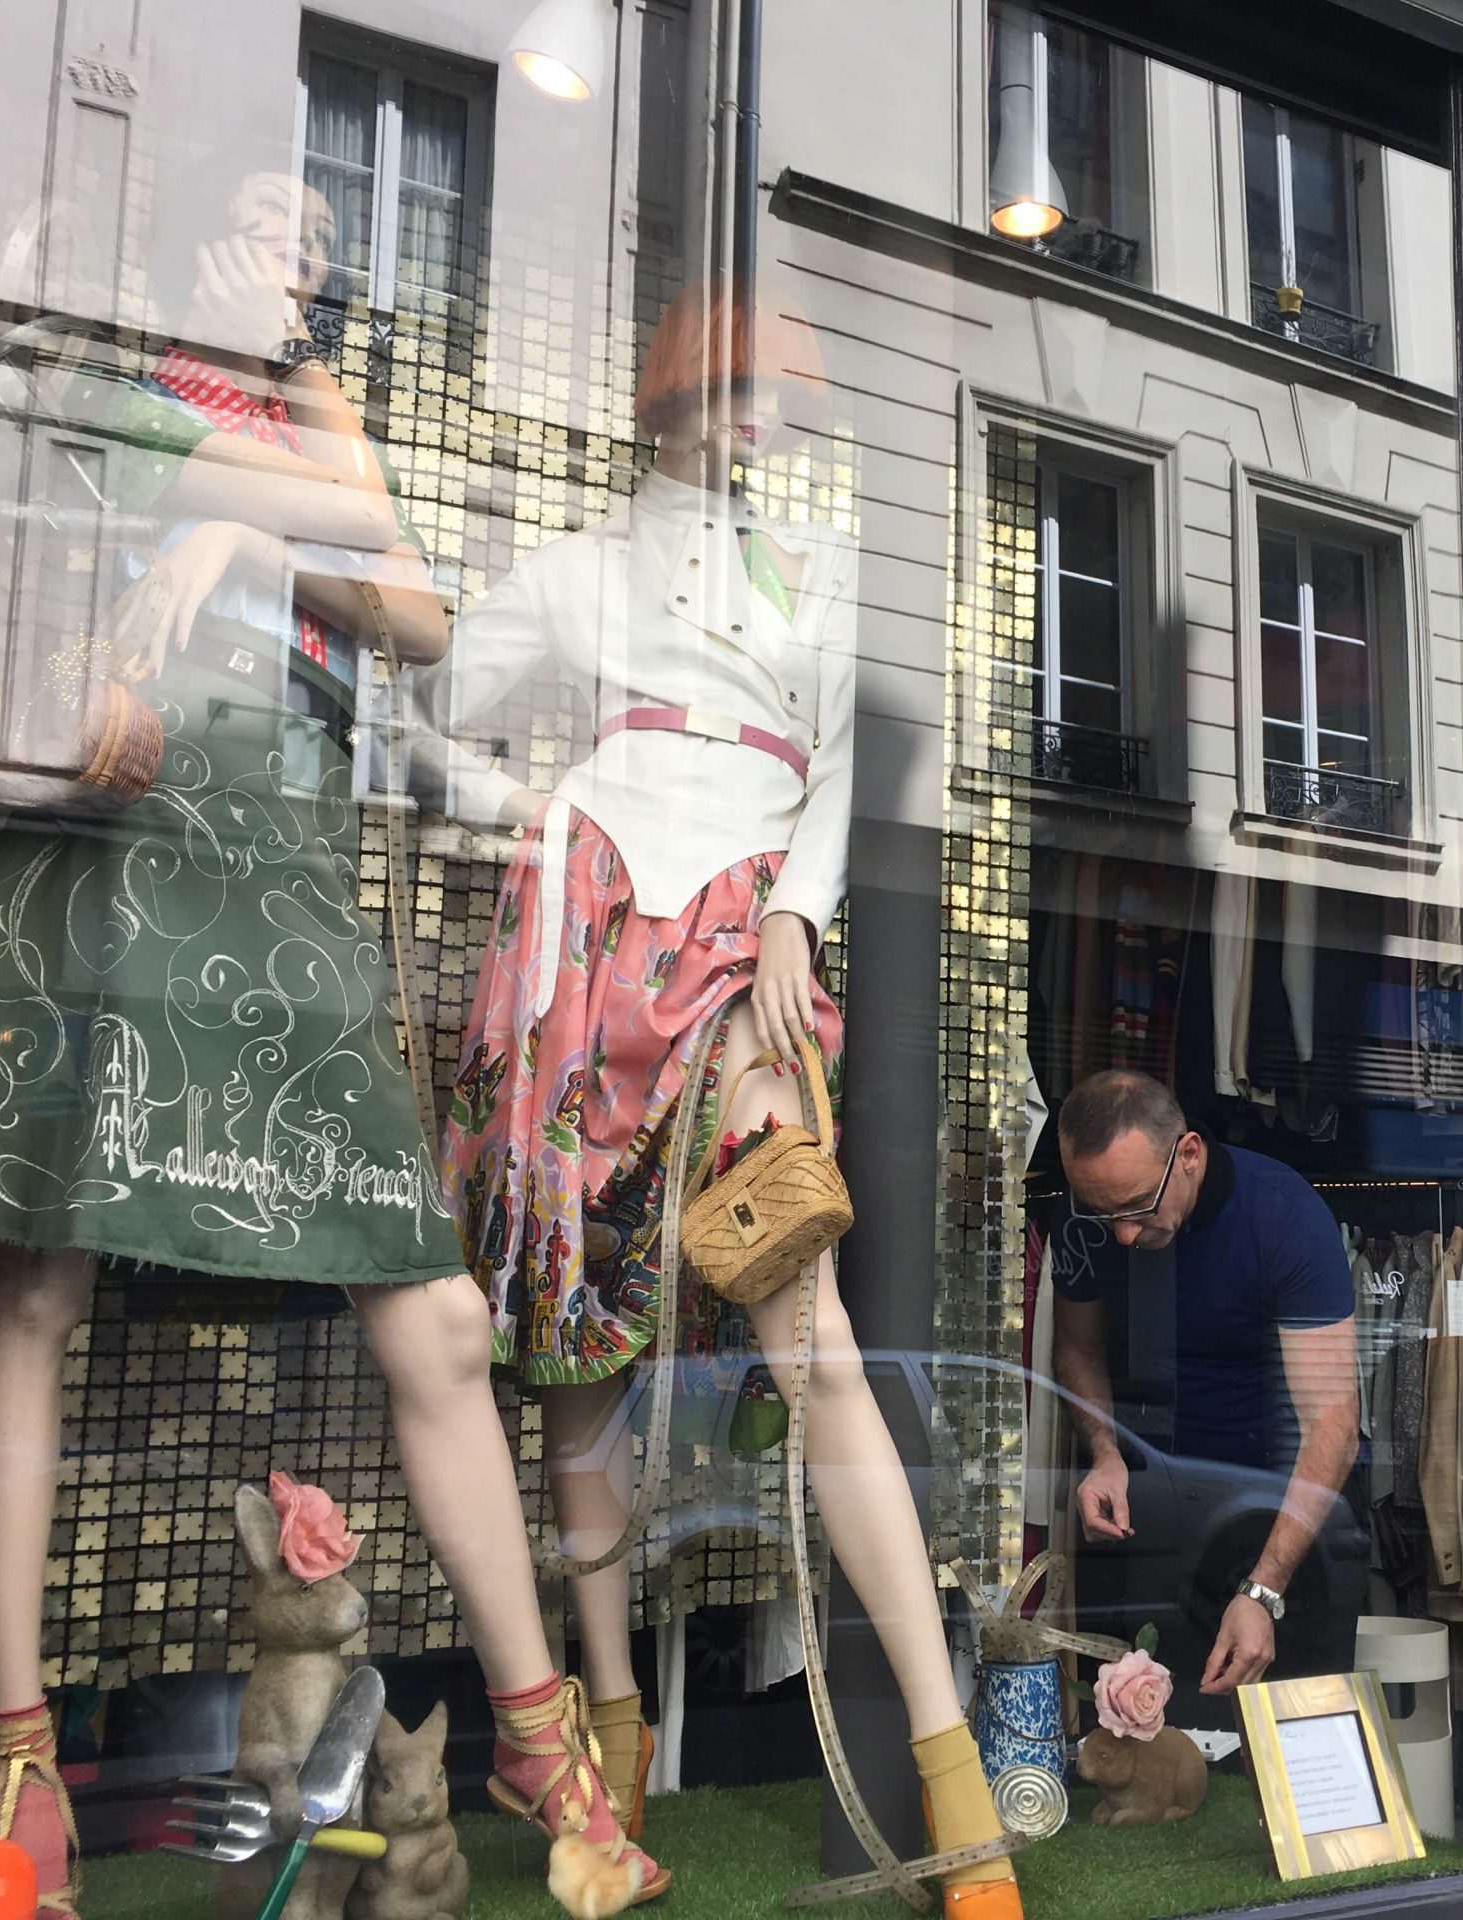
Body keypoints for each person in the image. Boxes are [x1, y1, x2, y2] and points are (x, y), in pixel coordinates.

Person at [0, 174, 654, 1920]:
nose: (296, 248)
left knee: (439, 1309)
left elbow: (431, 617)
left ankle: (538, 1736)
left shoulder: (263, 402)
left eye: (316, 237)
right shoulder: (111, 376)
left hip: (281, 858)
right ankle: (21, 1765)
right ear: (182, 234)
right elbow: (364, 540)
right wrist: (280, 494)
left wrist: (246, 525)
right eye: (263, 216)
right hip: (132, 827)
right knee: (32, 1284)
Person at [414, 276, 1023, 1918]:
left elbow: (838, 758)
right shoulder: (579, 564)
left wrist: (796, 912)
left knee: (806, 1325)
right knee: (574, 1349)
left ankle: (952, 1778)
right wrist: (527, 816)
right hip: (594, 930)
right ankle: (599, 1748)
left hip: (745, 938)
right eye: (742, 389)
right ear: (677, 393)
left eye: (780, 397)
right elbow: (435, 704)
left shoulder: (821, 569)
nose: (764, 422)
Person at [1051, 1070, 1363, 1721]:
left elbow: (1332, 1426)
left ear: (1188, 1154)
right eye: (1104, 1212)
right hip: (1150, 1501)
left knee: (1282, 1747)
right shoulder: (1087, 1220)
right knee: (1150, 1742)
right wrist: (1104, 1453)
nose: (1125, 1235)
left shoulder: (1283, 1215)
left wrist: (1265, 1589)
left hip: (1278, 1510)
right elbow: (1077, 1348)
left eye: (1137, 1206)